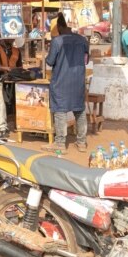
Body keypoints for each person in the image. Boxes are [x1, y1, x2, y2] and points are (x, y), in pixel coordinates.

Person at [44, 15, 89, 154]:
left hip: (61, 81)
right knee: (79, 111)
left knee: (60, 111)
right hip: (78, 81)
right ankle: (81, 142)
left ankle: (60, 144)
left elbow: (50, 61)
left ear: (59, 27)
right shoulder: (82, 40)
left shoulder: (57, 41)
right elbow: (86, 60)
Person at [0, 38, 22, 139]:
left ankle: (23, 124)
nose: (11, 39)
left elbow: (20, 67)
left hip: (12, 81)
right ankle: (2, 128)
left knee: (22, 96)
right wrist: (7, 69)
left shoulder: (17, 51)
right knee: (0, 99)